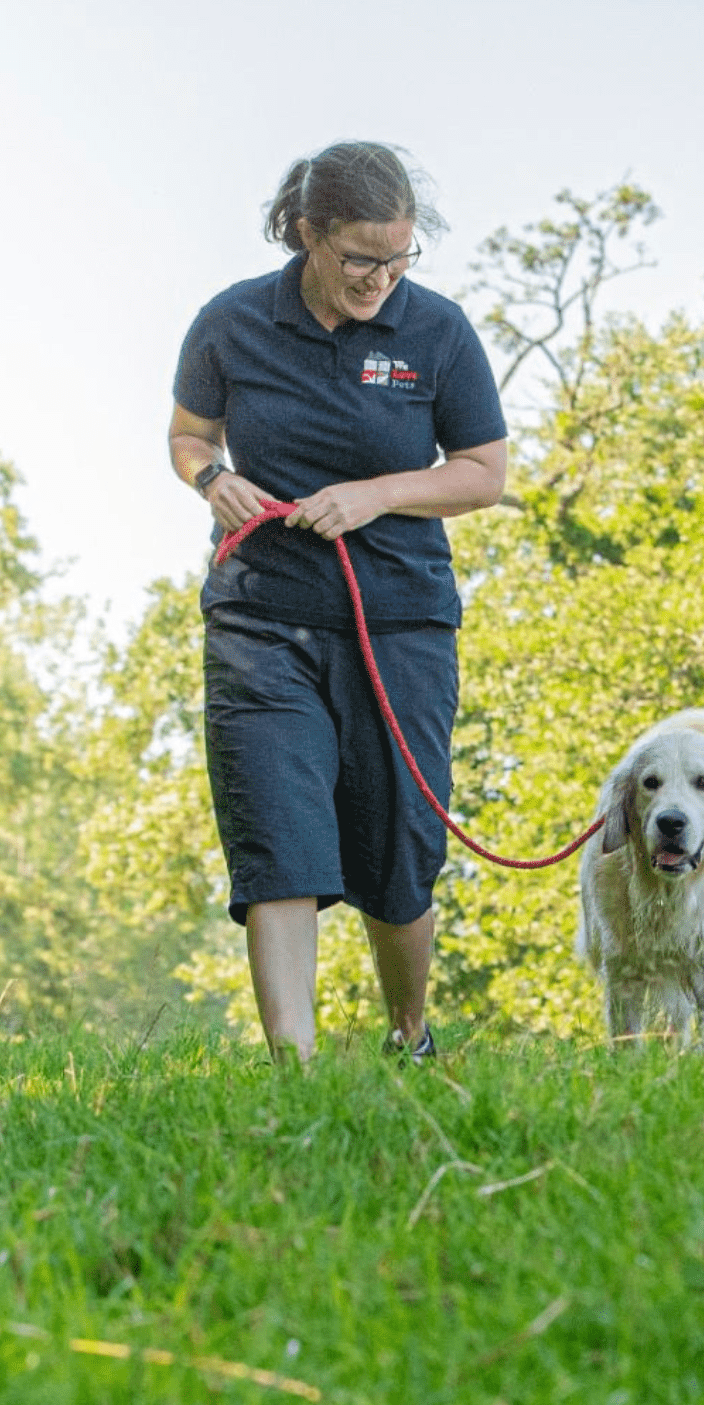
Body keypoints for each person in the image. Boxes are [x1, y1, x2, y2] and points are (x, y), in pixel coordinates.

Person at [167, 141, 507, 1065]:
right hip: (260, 617)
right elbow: (189, 435)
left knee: (397, 854)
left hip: (398, 623)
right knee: (277, 839)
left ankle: (409, 1034)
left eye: (398, 258)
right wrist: (213, 480)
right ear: (309, 234)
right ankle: (297, 1072)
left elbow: (483, 474)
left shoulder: (436, 333)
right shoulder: (230, 323)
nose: (380, 278)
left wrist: (376, 494)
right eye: (362, 257)